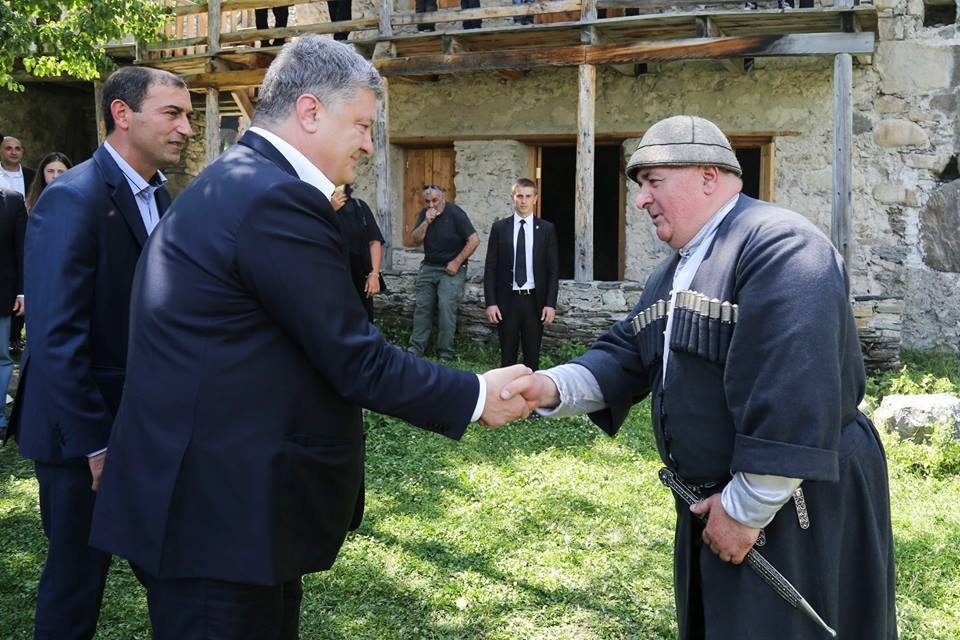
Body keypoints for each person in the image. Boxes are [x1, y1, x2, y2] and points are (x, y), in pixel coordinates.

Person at [87, 35, 528, 639]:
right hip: (218, 519)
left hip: (225, 508)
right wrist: (476, 395)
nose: (369, 145)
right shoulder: (275, 199)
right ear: (311, 111)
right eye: (362, 125)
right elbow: (352, 355)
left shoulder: (235, 181)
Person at [502, 115, 898, 639]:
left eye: (653, 181)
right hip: (718, 505)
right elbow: (628, 352)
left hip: (794, 504)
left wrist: (745, 510)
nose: (641, 200)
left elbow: (795, 391)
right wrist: (547, 388)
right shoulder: (674, 270)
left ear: (708, 176)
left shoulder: (782, 246)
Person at [8, 66, 193, 640]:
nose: (186, 128)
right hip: (79, 435)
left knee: (174, 574)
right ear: (122, 114)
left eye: (188, 115)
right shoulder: (72, 196)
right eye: (172, 113)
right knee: (75, 586)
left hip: (140, 428)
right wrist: (96, 443)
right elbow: (56, 336)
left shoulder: (159, 194)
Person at [484, 177, 559, 370]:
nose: (523, 200)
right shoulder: (500, 228)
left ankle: (531, 389)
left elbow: (553, 270)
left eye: (528, 196)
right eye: (519, 196)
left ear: (535, 198)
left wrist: (550, 304)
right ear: (513, 198)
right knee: (507, 356)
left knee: (532, 357)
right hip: (507, 300)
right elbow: (490, 267)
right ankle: (506, 389)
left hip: (534, 301)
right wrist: (491, 302)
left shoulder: (546, 229)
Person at [407, 184, 479, 361]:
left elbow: (474, 240)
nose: (431, 205)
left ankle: (445, 353)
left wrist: (456, 262)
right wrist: (426, 222)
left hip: (452, 268)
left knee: (446, 305)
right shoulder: (425, 214)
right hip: (429, 266)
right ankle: (415, 350)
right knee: (422, 307)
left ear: (443, 198)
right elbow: (415, 240)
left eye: (435, 200)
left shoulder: (455, 213)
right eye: (427, 202)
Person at [330, 183, 385, 322]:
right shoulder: (321, 208)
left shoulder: (360, 207)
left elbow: (374, 241)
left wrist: (374, 275)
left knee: (363, 322)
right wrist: (330, 210)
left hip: (360, 278)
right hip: (333, 277)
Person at [1, 135, 35, 353]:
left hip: (26, 232)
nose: (14, 152)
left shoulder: (32, 176)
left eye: (18, 148)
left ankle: (14, 338)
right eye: (8, 148)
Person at [0, 187, 26, 442]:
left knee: (1, 358)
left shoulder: (13, 201)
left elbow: (21, 249)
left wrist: (22, 292)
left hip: (2, 294)